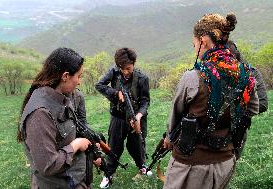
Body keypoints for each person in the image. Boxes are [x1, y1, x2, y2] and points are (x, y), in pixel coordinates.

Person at [163, 13, 259, 189]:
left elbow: (174, 116)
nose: (195, 49)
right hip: (226, 161)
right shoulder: (245, 74)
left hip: (190, 164)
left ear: (203, 41)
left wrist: (169, 139)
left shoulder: (193, 77)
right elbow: (253, 109)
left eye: (195, 44)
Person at [18, 47, 100, 189]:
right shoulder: (40, 114)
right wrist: (76, 145)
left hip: (73, 179)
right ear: (65, 76)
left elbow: (65, 136)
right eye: (78, 76)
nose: (79, 82)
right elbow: (48, 165)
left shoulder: (62, 98)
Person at [95, 47, 151, 188]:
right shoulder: (114, 72)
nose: (126, 72)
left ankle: (142, 166)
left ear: (134, 63)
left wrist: (138, 116)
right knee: (114, 147)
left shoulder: (142, 78)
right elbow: (99, 85)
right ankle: (108, 174)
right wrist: (115, 93)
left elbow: (145, 101)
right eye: (123, 69)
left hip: (136, 118)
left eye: (129, 68)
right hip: (118, 117)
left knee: (137, 145)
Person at [227, 40, 268, 159]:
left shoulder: (251, 73)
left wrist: (236, 110)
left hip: (238, 129)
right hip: (210, 130)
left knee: (230, 162)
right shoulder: (209, 73)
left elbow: (263, 104)